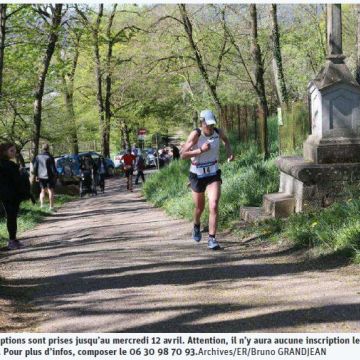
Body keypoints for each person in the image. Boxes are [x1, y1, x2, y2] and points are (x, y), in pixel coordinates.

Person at [181, 109, 234, 250]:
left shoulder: (218, 132)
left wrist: (229, 153)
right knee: (200, 208)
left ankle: (212, 239)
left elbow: (226, 142)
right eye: (207, 124)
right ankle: (196, 225)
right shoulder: (196, 134)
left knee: (214, 204)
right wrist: (200, 150)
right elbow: (183, 154)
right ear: (202, 122)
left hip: (213, 173)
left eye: (212, 124)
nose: (210, 127)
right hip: (197, 174)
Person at [0, 143, 25, 250]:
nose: (14, 152)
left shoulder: (8, 164)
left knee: (12, 216)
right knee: (11, 216)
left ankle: (13, 239)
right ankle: (11, 241)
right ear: (4, 152)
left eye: (14, 150)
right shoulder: (5, 165)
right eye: (11, 151)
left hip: (10, 194)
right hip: (6, 195)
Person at [33, 143, 57, 211]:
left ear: (42, 148)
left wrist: (36, 175)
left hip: (41, 176)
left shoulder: (37, 157)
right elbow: (53, 168)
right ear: (48, 148)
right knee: (50, 190)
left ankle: (42, 205)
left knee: (42, 190)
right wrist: (55, 175)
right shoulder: (50, 157)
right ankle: (51, 207)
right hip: (49, 176)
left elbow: (35, 167)